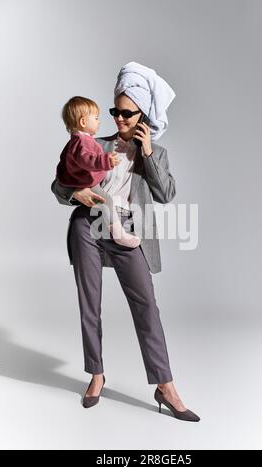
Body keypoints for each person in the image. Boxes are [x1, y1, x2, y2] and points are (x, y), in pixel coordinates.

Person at [51, 62, 200, 421]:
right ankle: (96, 375)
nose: (117, 119)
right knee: (90, 304)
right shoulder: (90, 143)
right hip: (88, 226)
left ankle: (164, 384)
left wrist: (147, 153)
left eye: (126, 113)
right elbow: (58, 186)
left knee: (146, 307)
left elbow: (166, 194)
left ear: (143, 114)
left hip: (130, 233)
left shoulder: (156, 154)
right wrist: (79, 194)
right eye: (115, 111)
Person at [56, 96, 140, 248]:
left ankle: (115, 231)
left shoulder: (76, 140)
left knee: (103, 202)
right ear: (83, 122)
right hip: (85, 186)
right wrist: (106, 161)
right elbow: (86, 159)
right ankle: (118, 234)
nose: (99, 121)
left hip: (87, 185)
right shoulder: (83, 141)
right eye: (95, 118)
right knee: (107, 200)